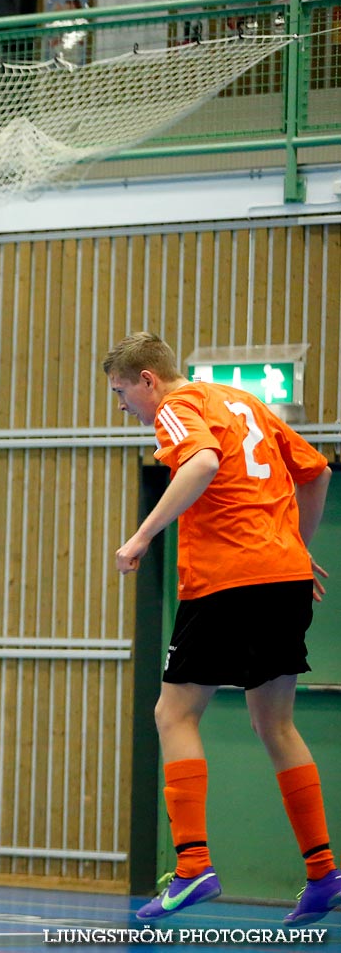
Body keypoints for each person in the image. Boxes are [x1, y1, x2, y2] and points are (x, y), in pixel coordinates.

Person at [103, 332, 338, 925]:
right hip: (282, 577)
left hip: (227, 579)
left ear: (148, 380)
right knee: (275, 724)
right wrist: (295, 548)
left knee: (173, 714)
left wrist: (143, 534)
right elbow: (317, 474)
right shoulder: (242, 401)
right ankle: (322, 872)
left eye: (121, 393)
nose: (123, 406)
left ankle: (192, 867)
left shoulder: (179, 408)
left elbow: (203, 462)